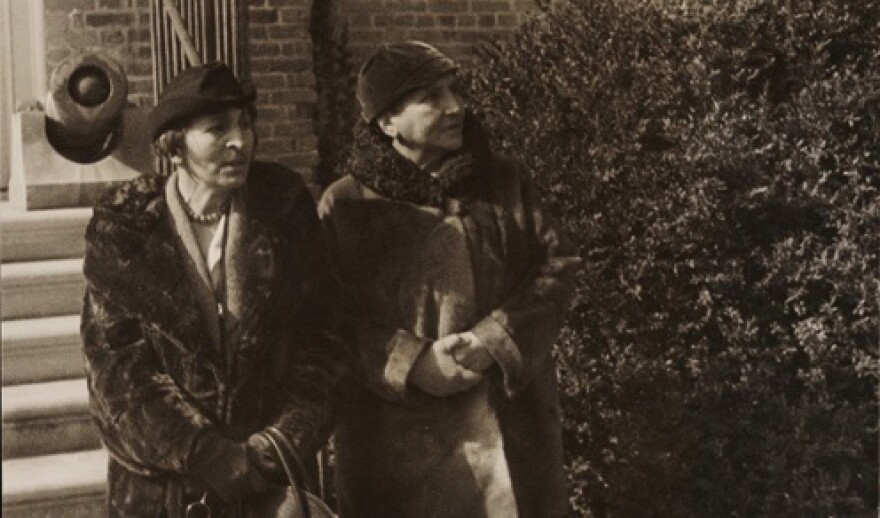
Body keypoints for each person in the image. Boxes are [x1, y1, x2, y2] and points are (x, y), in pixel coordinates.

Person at [319, 41, 582, 518]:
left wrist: (495, 340)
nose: (455, 106)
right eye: (431, 98)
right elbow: (330, 318)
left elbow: (557, 266)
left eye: (455, 90)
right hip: (397, 454)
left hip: (511, 438)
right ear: (387, 122)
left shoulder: (505, 181)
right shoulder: (347, 205)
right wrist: (411, 363)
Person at [81, 62, 343, 517]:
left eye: (244, 124)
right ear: (175, 146)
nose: (240, 141)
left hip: (270, 482)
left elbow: (323, 339)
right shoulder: (124, 226)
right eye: (217, 129)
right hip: (163, 491)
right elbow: (115, 370)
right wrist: (207, 455)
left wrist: (274, 445)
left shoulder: (282, 208)